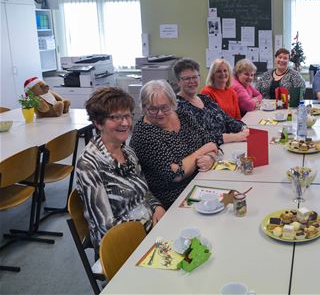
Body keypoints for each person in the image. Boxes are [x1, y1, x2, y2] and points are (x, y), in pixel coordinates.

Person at [75, 87, 165, 249]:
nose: (124, 123)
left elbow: (144, 191)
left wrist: (156, 207)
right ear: (98, 122)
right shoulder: (88, 164)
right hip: (120, 242)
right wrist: (147, 231)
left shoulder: (128, 151)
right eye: (115, 118)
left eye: (127, 116)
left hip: (147, 227)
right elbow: (106, 225)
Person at [130, 80, 218, 209]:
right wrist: (200, 152)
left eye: (165, 107)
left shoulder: (183, 115)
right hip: (175, 199)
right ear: (143, 108)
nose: (159, 113)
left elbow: (210, 142)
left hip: (202, 182)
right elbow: (176, 174)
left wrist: (210, 158)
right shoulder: (144, 134)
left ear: (172, 103)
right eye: (153, 109)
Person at [173, 58, 248, 145]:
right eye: (186, 78)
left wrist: (243, 128)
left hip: (227, 146)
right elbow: (200, 138)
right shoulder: (178, 106)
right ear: (178, 82)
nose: (192, 81)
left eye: (195, 77)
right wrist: (237, 137)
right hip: (208, 154)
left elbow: (227, 119)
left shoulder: (205, 99)